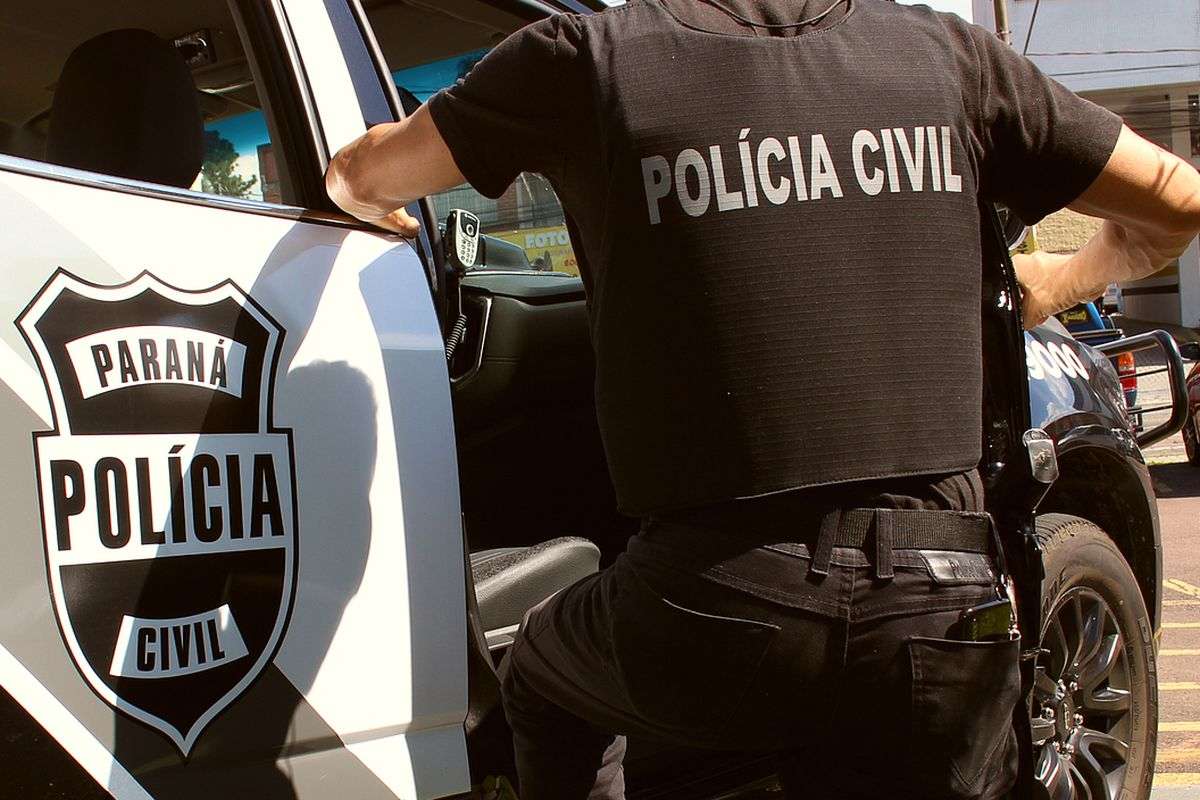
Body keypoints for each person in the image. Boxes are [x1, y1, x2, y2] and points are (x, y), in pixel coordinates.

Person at [326, 1, 1200, 797]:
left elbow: (363, 176)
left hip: (709, 608)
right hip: (942, 607)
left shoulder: (581, 60)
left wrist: (363, 194)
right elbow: (1177, 203)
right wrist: (1063, 279)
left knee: (544, 677)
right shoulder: (955, 58)